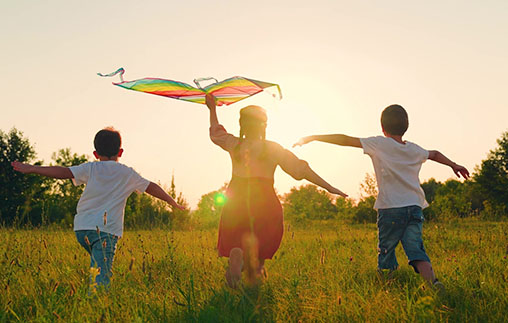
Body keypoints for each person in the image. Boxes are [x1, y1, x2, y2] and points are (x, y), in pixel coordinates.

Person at [294, 104, 469, 289]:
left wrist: (313, 137)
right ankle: (433, 282)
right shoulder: (414, 149)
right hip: (414, 207)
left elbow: (345, 139)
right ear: (406, 126)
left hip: (391, 208)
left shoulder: (379, 144)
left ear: (383, 128)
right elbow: (434, 154)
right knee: (416, 249)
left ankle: (388, 288)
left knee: (386, 250)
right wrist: (454, 165)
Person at [11, 127, 184, 290]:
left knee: (99, 266)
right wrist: (172, 202)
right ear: (120, 152)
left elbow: (63, 172)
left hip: (82, 229)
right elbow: (151, 187)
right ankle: (96, 307)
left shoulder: (91, 168)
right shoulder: (127, 173)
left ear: (95, 153)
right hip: (105, 232)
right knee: (101, 279)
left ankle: (94, 298)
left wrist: (33, 168)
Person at [205, 94, 346, 288]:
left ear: (242, 125)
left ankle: (237, 256)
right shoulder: (273, 149)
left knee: (236, 240)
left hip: (236, 199)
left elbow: (215, 133)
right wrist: (329, 187)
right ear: (264, 125)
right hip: (264, 201)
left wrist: (212, 109)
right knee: (260, 249)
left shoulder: (235, 145)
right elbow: (301, 170)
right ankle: (255, 277)